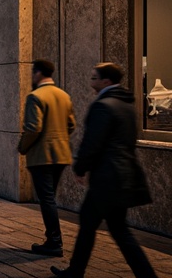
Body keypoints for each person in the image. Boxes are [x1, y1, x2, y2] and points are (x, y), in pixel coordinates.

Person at [51, 63, 156, 278]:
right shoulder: (126, 105)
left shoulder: (103, 106)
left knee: (92, 224)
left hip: (107, 178)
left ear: (105, 81)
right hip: (122, 175)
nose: (91, 82)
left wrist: (80, 167)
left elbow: (93, 142)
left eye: (94, 78)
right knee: (117, 229)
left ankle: (75, 271)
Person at [18, 59, 76, 257]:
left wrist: (22, 147)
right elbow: (71, 125)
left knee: (47, 199)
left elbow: (33, 128)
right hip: (61, 154)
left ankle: (54, 241)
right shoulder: (64, 95)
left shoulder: (35, 97)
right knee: (50, 197)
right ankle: (53, 239)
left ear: (38, 73)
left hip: (42, 156)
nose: (32, 77)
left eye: (33, 73)